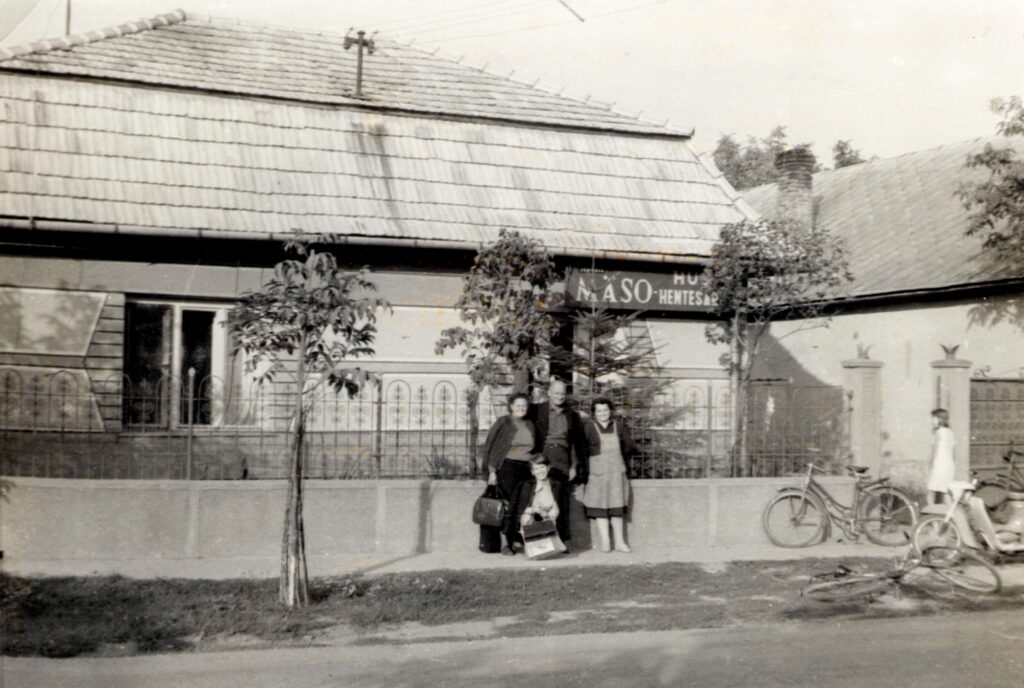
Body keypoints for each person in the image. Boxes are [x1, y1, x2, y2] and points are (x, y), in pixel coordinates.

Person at [523, 378, 590, 550]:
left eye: (562, 393)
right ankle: (540, 542)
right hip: (543, 456)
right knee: (539, 498)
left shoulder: (572, 415)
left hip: (562, 458)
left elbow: (575, 443)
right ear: (549, 393)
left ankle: (561, 541)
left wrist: (573, 466)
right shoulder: (537, 410)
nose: (560, 396)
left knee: (560, 499)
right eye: (556, 393)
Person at [483, 392, 541, 555]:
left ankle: (517, 538)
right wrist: (492, 471)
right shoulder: (503, 422)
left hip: (526, 469)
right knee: (507, 505)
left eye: (524, 405)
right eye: (518, 405)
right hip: (507, 468)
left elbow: (536, 448)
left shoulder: (530, 424)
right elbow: (492, 447)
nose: (521, 408)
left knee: (523, 505)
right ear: (511, 406)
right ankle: (505, 543)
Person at [582, 397, 635, 553]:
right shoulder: (589, 428)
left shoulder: (619, 426)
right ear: (594, 413)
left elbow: (628, 447)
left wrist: (621, 464)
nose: (602, 413)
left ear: (610, 411)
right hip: (597, 473)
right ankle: (605, 542)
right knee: (600, 507)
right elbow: (583, 451)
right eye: (599, 411)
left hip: (616, 474)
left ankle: (620, 542)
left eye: (605, 410)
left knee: (616, 508)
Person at [515, 454, 569, 555]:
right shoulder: (528, 485)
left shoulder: (555, 484)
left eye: (542, 467)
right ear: (532, 472)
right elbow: (523, 507)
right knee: (526, 518)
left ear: (548, 468)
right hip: (533, 515)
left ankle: (553, 541)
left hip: (549, 517)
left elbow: (557, 506)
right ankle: (530, 544)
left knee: (552, 520)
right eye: (536, 469)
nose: (540, 471)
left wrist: (548, 515)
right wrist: (538, 510)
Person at [926, 408, 955, 505]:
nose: (932, 421)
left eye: (933, 419)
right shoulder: (950, 432)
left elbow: (935, 451)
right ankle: (952, 513)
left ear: (940, 419)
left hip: (939, 465)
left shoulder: (938, 433)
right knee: (945, 493)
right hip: (949, 466)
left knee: (930, 493)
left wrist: (931, 465)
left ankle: (931, 514)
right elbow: (953, 453)